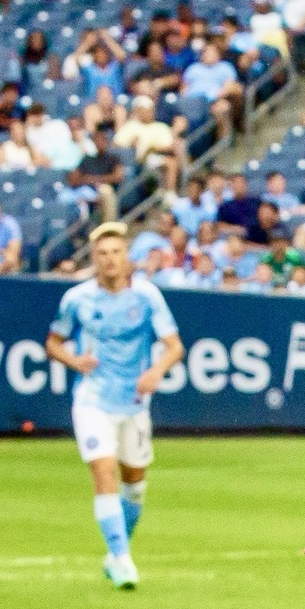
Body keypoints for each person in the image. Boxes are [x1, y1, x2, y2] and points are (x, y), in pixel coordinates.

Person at [43, 223, 187, 589]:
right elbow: (53, 342)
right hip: (92, 399)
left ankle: (116, 552)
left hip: (135, 403)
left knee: (135, 485)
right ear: (94, 259)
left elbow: (174, 346)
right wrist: (74, 362)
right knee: (104, 472)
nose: (109, 260)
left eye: (116, 253)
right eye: (102, 254)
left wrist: (156, 371)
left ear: (127, 258)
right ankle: (122, 559)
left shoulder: (147, 297)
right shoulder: (76, 298)